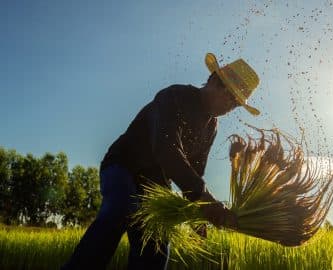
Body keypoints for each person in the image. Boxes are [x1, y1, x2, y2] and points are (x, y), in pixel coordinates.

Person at [61, 53, 261, 270]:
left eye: (237, 104)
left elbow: (195, 171)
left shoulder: (211, 127)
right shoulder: (175, 96)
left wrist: (199, 213)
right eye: (230, 96)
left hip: (155, 184)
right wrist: (205, 198)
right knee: (121, 208)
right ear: (214, 80)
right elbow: (166, 149)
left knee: (156, 247)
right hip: (123, 166)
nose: (231, 106)